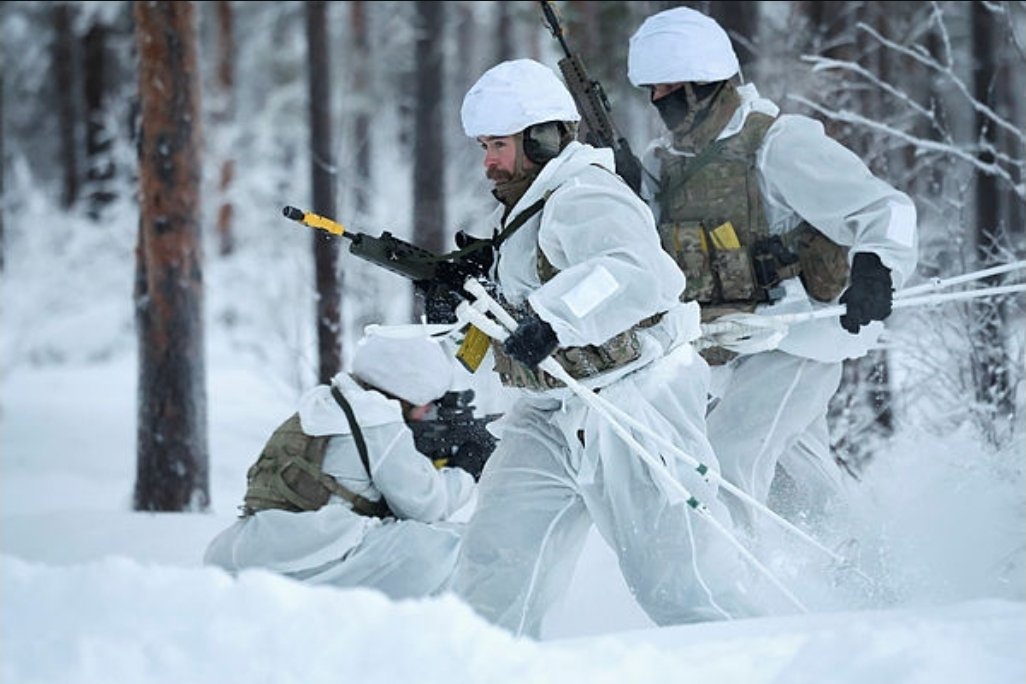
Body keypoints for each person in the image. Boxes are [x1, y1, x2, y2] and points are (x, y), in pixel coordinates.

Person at [447, 58, 762, 638]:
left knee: (678, 581)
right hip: (548, 412)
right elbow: (515, 319)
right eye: (483, 146)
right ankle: (483, 667)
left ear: (541, 139)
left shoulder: (583, 193)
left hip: (633, 404)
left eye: (497, 144)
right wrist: (460, 310)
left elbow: (637, 271)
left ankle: (761, 662)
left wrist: (553, 315)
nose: (488, 161)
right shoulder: (524, 210)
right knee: (496, 557)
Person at [625, 8, 919, 531]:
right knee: (799, 479)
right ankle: (865, 579)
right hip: (732, 345)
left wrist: (878, 266)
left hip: (798, 337)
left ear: (702, 84)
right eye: (651, 88)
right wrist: (621, 187)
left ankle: (738, 591)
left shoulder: (778, 144)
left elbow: (885, 208)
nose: (656, 100)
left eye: (667, 86)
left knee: (730, 456)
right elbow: (640, 240)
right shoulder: (665, 162)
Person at [203, 328, 476, 600]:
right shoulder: (377, 419)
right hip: (312, 557)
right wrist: (466, 471)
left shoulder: (326, 403)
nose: (428, 411)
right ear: (409, 391)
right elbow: (426, 505)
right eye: (427, 403)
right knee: (451, 547)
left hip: (245, 552)